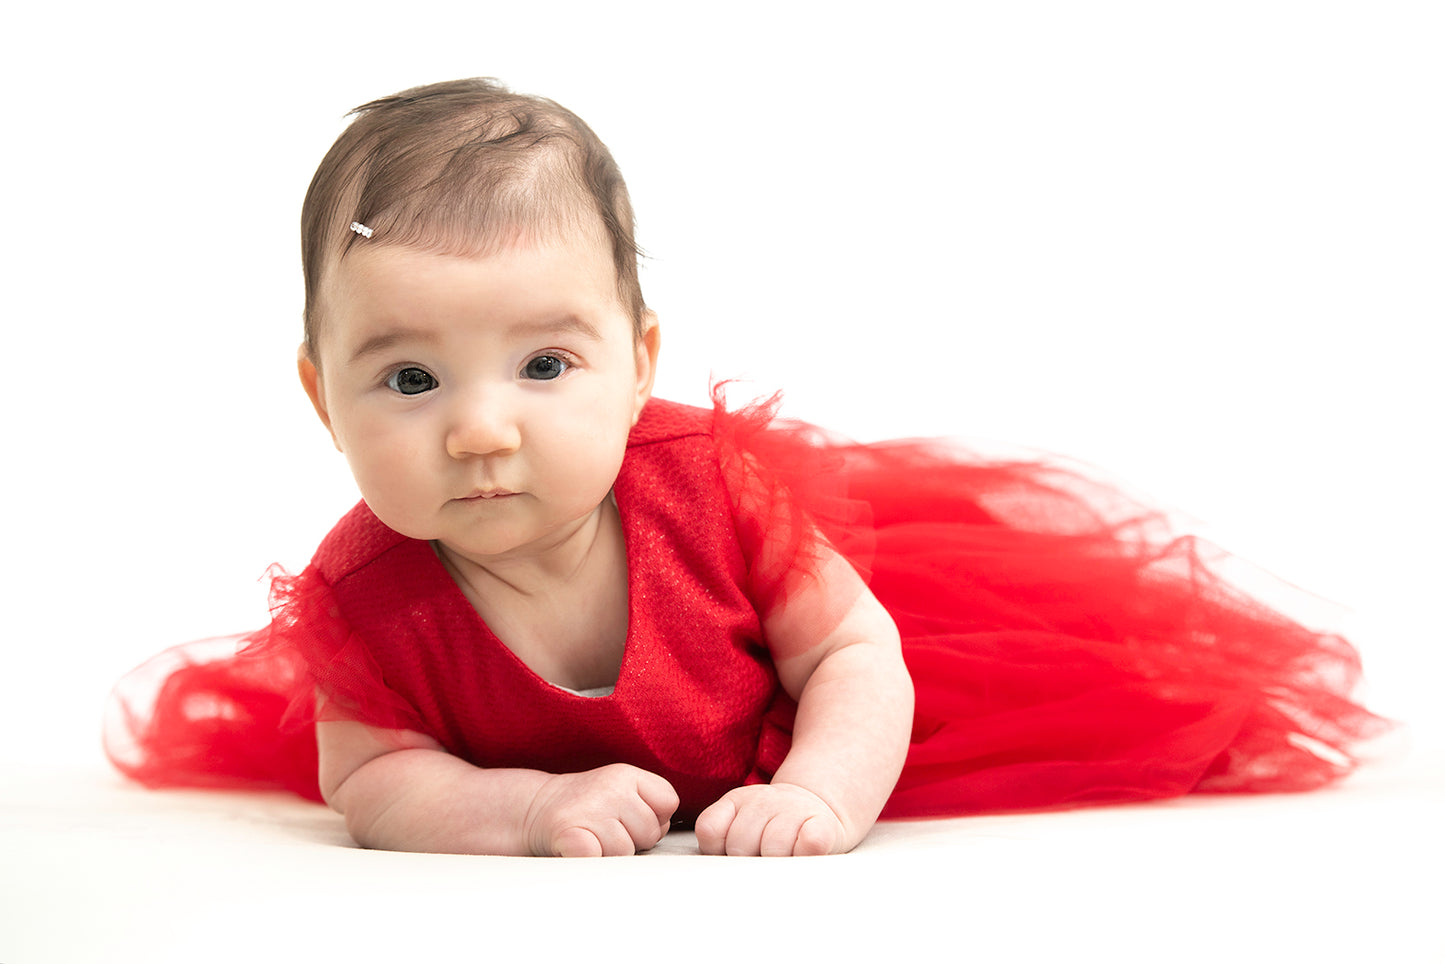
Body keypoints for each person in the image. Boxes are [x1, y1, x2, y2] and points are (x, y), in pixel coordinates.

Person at [106, 78, 1385, 858]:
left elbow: (848, 656)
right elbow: (372, 780)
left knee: (1012, 682)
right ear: (322, 397)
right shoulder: (361, 594)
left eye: (545, 366)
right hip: (586, 784)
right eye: (408, 379)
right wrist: (520, 815)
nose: (480, 429)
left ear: (637, 355)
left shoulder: (705, 489)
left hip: (816, 716)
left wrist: (821, 792)